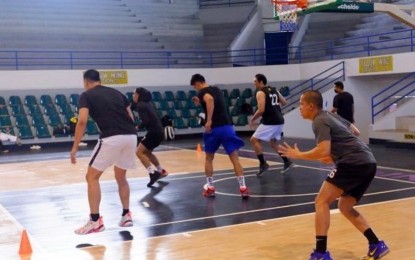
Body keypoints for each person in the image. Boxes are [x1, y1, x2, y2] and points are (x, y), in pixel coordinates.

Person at [279, 90, 389, 260]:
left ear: (311, 105)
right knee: (345, 206)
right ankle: (376, 244)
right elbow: (355, 131)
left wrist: (298, 155)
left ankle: (321, 253)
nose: (299, 108)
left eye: (301, 104)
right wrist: (335, 154)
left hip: (353, 163)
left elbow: (323, 149)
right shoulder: (331, 116)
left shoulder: (319, 121)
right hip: (368, 162)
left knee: (321, 201)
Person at [70, 69, 137, 235]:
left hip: (111, 137)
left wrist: (75, 146)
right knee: (121, 177)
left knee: (91, 177)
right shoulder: (117, 92)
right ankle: (126, 215)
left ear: (86, 82)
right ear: (99, 80)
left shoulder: (86, 95)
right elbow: (131, 117)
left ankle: (95, 221)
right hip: (131, 136)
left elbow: (82, 121)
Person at [190, 74, 249, 198]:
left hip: (214, 129)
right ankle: (243, 188)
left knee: (209, 158)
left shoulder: (203, 92)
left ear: (198, 83)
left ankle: (210, 188)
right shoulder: (216, 89)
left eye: (196, 87)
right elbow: (213, 100)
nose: (197, 90)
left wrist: (209, 120)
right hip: (227, 127)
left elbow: (210, 100)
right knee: (234, 158)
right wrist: (200, 101)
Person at [249, 74, 293, 176]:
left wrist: (252, 119)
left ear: (260, 81)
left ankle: (263, 164)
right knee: (273, 143)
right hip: (279, 119)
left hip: (270, 121)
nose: (253, 83)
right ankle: (287, 161)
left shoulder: (260, 92)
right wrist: (274, 107)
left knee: (254, 140)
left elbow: (261, 110)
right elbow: (284, 102)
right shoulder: (274, 89)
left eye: (255, 81)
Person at [132, 87, 168, 187]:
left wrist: (137, 127)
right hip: (159, 131)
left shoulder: (141, 105)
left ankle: (152, 173)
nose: (133, 96)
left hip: (154, 132)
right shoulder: (147, 104)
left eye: (134, 94)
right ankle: (161, 171)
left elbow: (146, 121)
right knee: (147, 152)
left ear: (138, 95)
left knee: (138, 152)